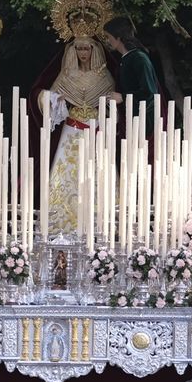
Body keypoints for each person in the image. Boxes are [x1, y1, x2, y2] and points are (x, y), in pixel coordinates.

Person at [36, 35, 120, 236]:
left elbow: (112, 106)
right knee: (65, 179)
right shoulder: (66, 76)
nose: (83, 54)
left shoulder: (104, 76)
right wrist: (55, 98)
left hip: (96, 128)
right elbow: (46, 96)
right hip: (72, 130)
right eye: (79, 49)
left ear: (94, 50)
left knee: (99, 175)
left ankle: (100, 228)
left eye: (87, 49)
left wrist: (111, 103)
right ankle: (60, 226)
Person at [103, 16, 158, 126]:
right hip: (130, 119)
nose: (107, 41)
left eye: (108, 37)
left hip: (143, 123)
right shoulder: (126, 58)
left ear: (118, 38)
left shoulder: (139, 58)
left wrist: (122, 97)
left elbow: (149, 93)